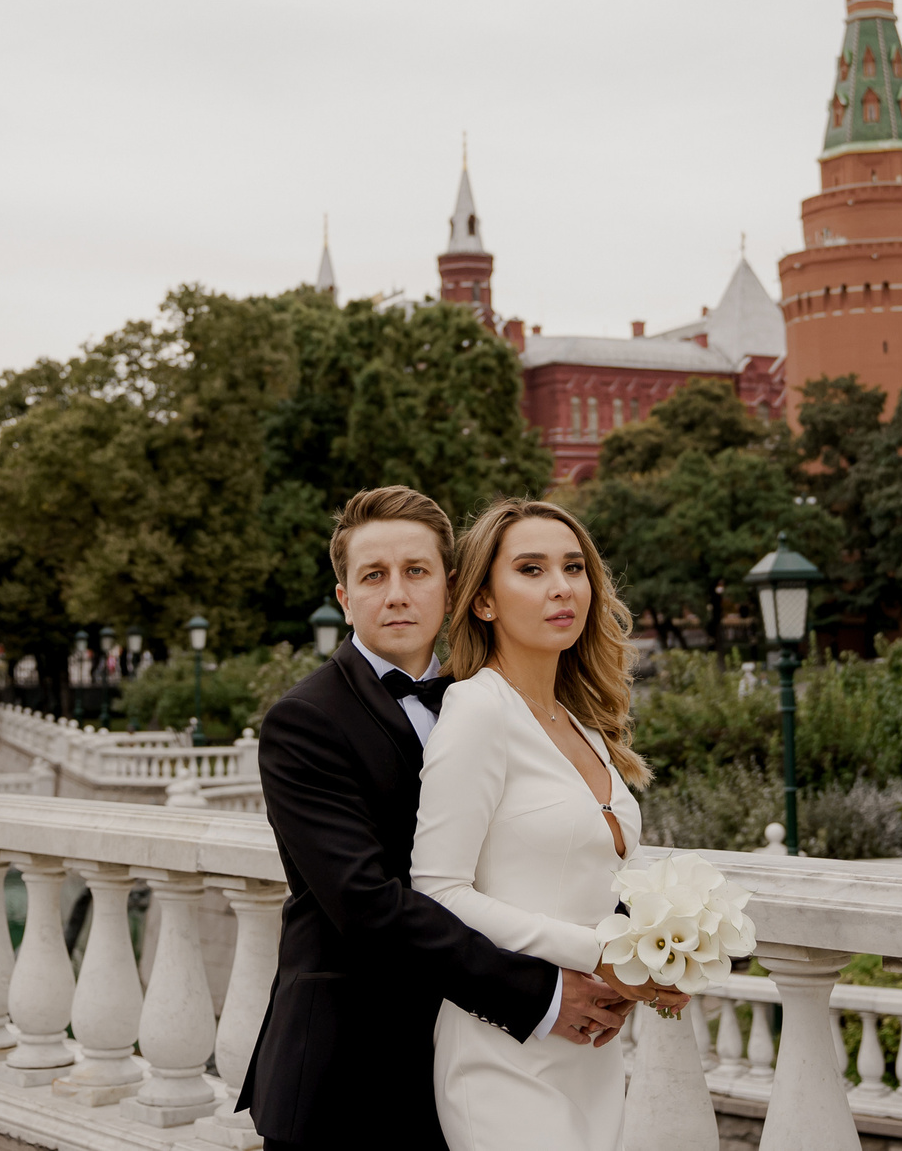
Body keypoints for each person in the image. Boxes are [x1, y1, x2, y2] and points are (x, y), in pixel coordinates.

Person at [239, 487, 642, 1151]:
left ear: (452, 587)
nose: (397, 593)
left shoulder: (486, 698)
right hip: (353, 1066)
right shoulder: (305, 721)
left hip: (475, 1046)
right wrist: (539, 993)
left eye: (417, 571)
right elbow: (369, 904)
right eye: (374, 575)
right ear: (343, 597)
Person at [411, 498, 682, 1151]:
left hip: (591, 1046)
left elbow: (593, 876)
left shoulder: (583, 723)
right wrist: (603, 954)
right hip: (502, 1049)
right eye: (530, 569)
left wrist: (662, 952)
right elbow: (438, 892)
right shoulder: (478, 709)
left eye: (573, 567)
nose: (561, 586)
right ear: (483, 601)